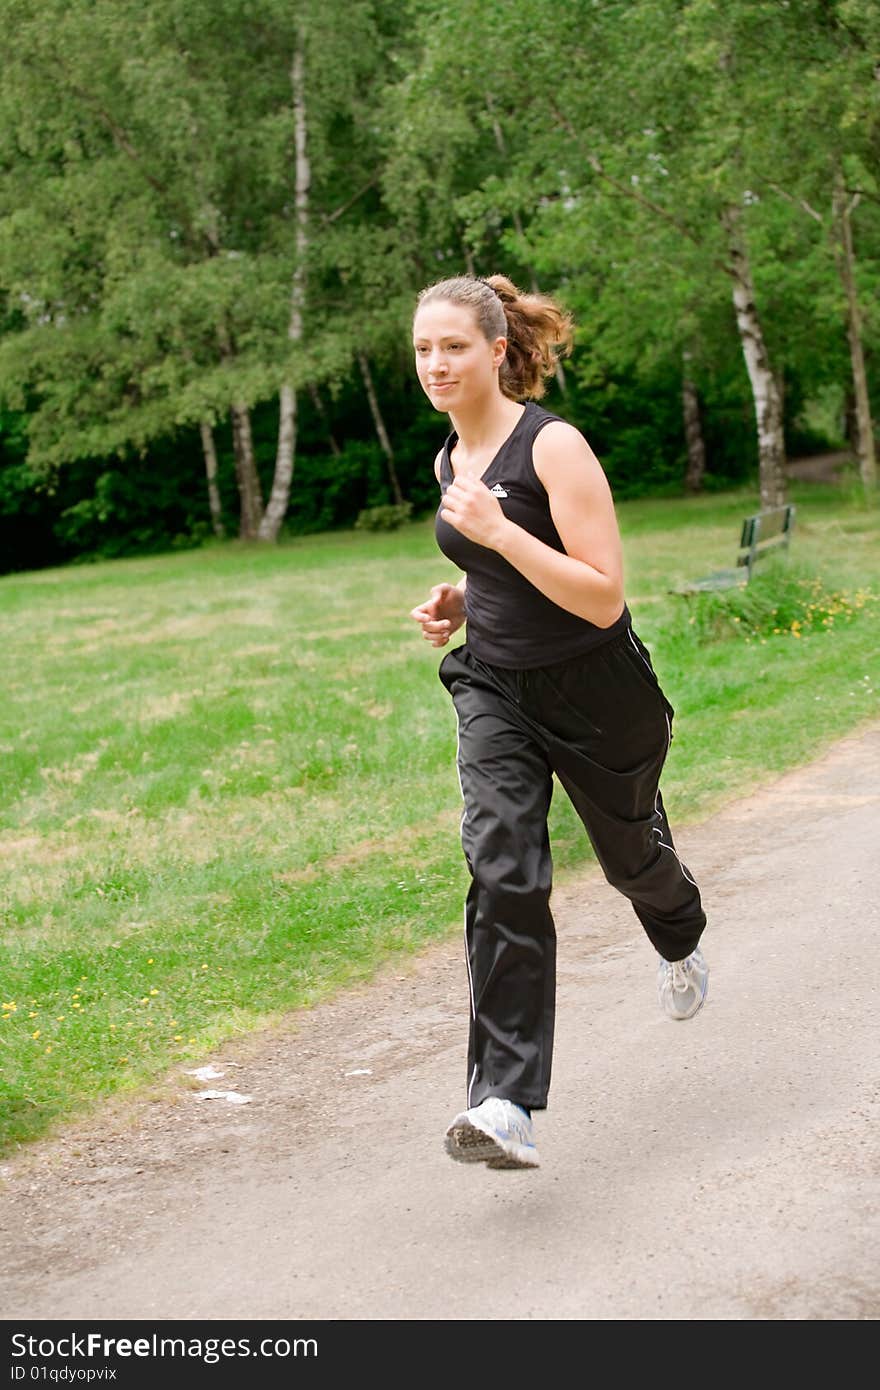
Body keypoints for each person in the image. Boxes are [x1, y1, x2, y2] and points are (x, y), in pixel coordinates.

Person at [410, 274, 708, 1171]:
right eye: (423, 349)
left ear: (498, 351)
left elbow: (603, 595)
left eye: (453, 346)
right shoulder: (447, 458)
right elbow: (507, 570)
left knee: (631, 857)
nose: (436, 364)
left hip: (597, 691)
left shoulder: (554, 447)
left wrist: (500, 538)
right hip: (498, 689)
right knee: (501, 864)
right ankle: (503, 1103)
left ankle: (680, 934)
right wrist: (465, 597)